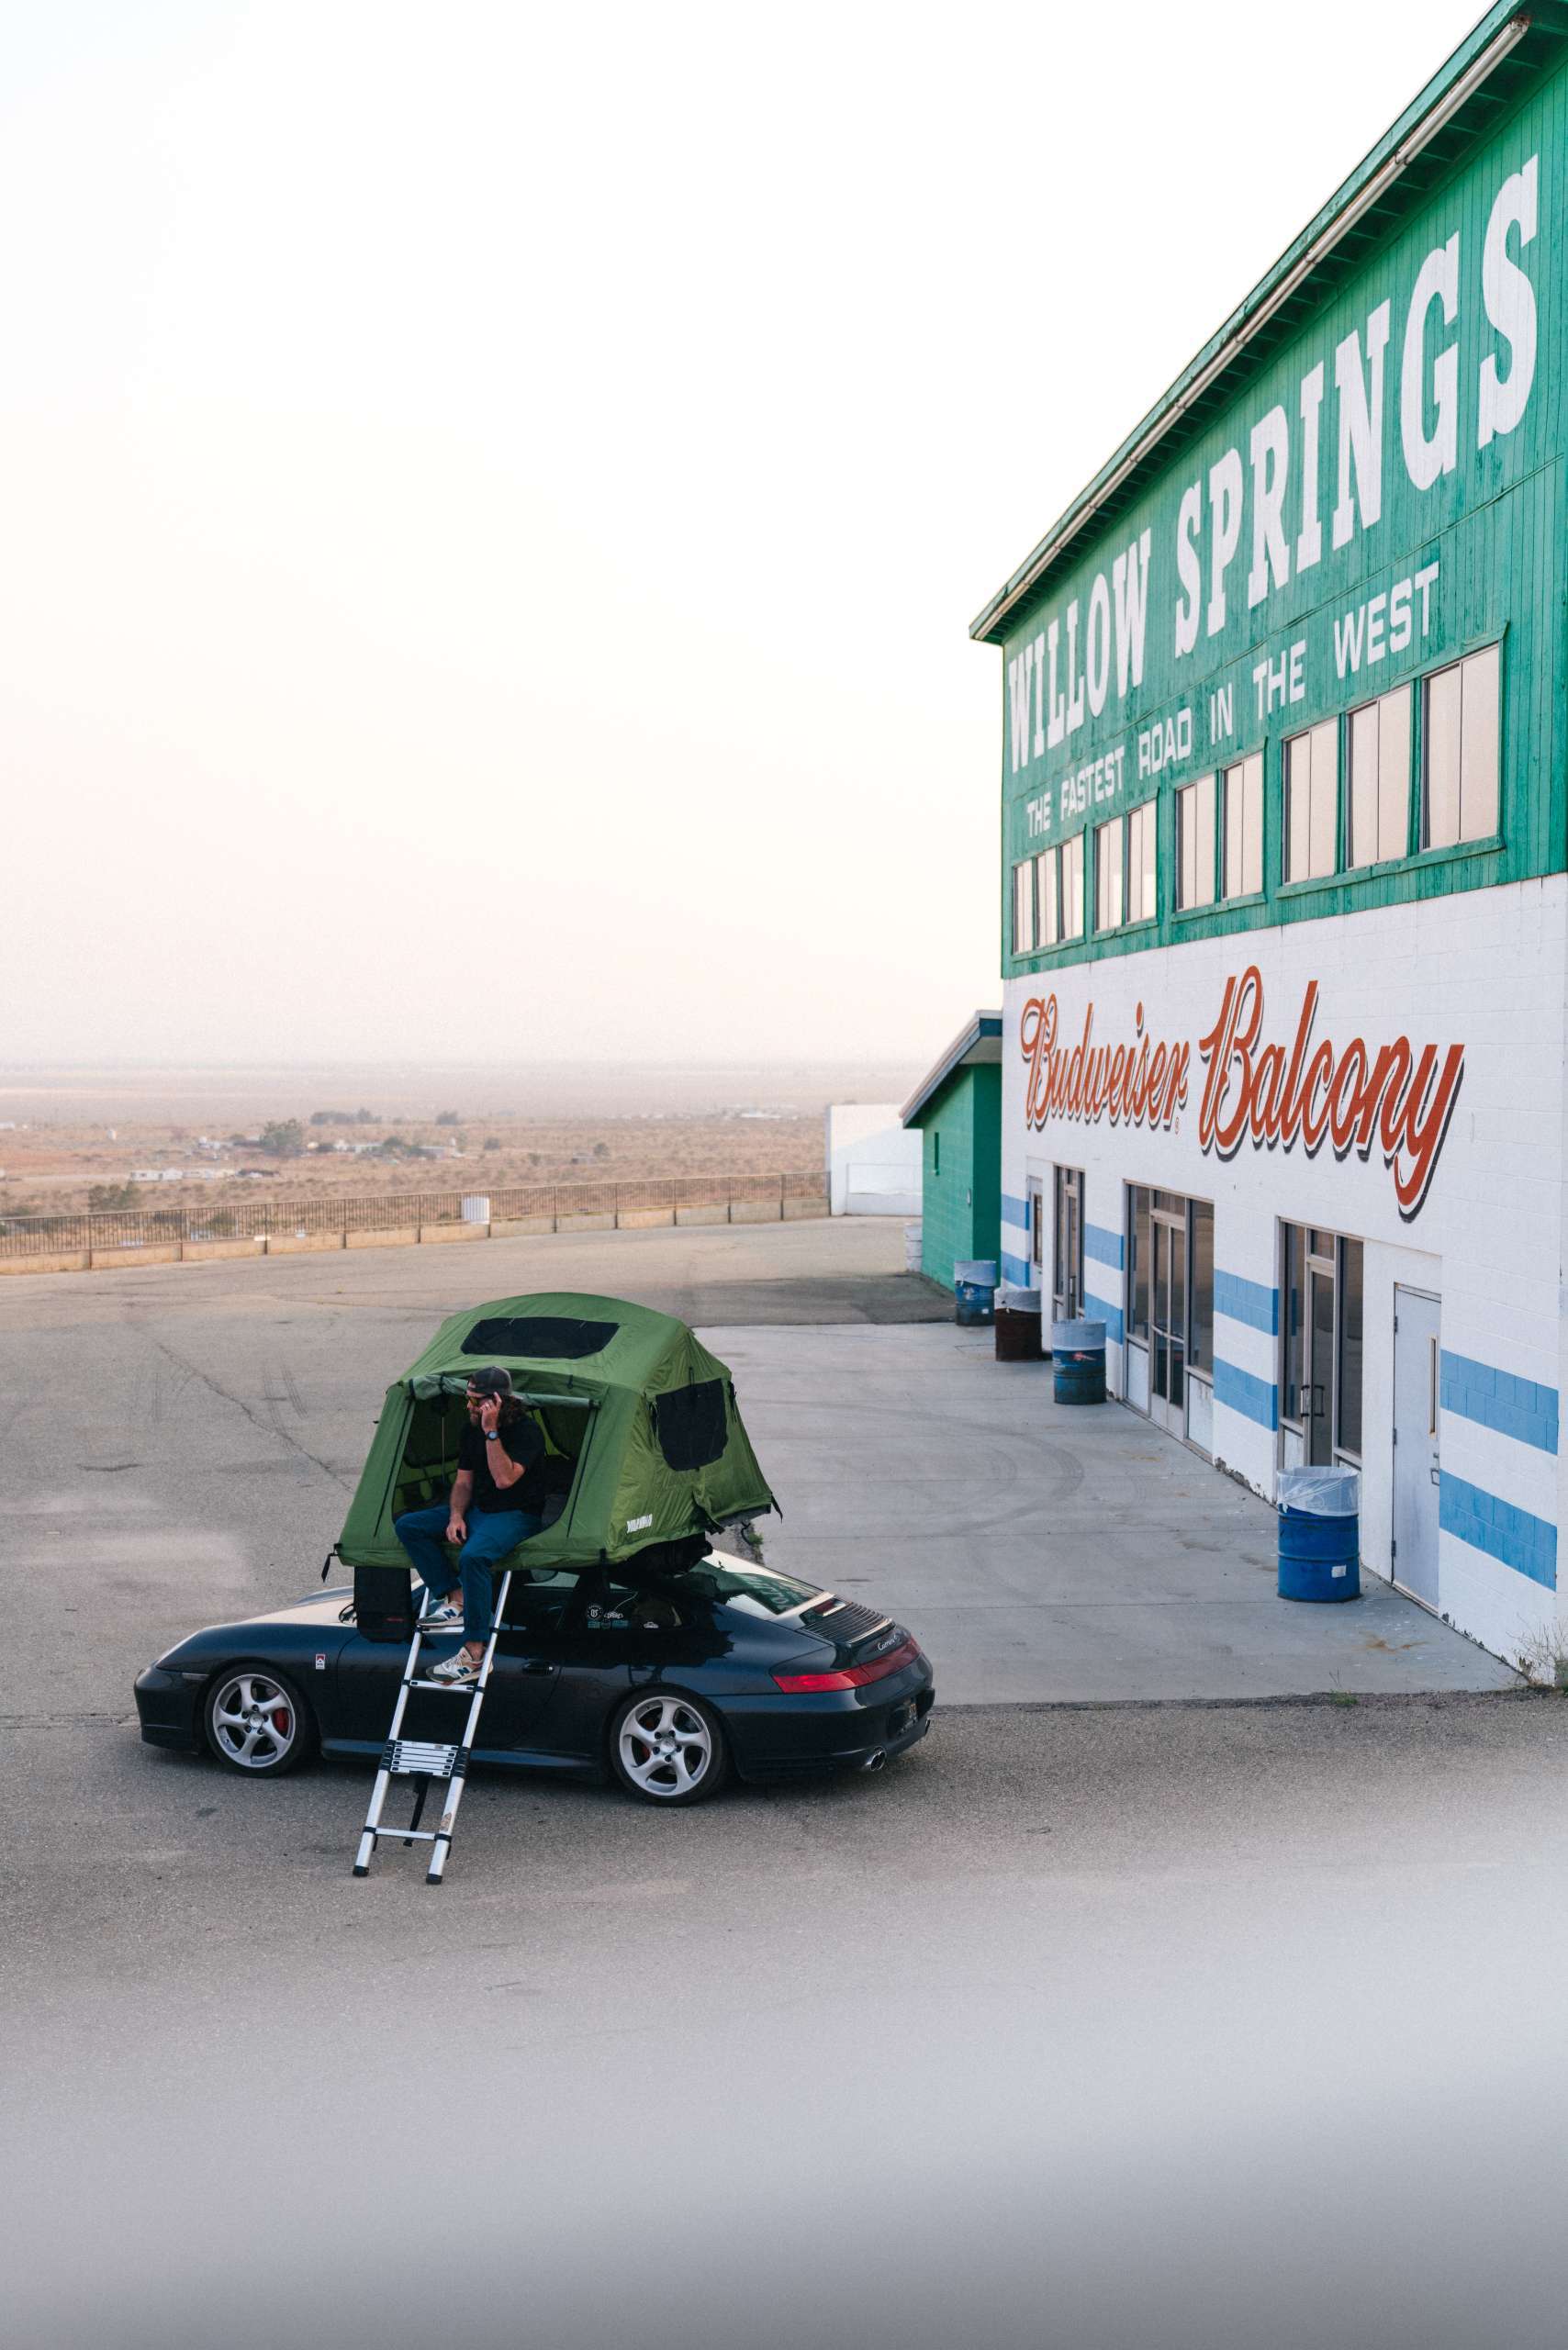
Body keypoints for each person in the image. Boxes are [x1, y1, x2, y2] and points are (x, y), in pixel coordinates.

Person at [393, 1367, 547, 1686]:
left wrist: (492, 1433)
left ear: (495, 1401)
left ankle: (474, 1654)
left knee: (474, 1557)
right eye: (467, 1399)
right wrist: (456, 1516)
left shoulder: (526, 1432)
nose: (468, 1407)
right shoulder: (470, 1430)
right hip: (479, 1510)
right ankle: (456, 1597)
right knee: (409, 1526)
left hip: (517, 1514)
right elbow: (463, 1482)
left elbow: (505, 1479)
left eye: (474, 1401)